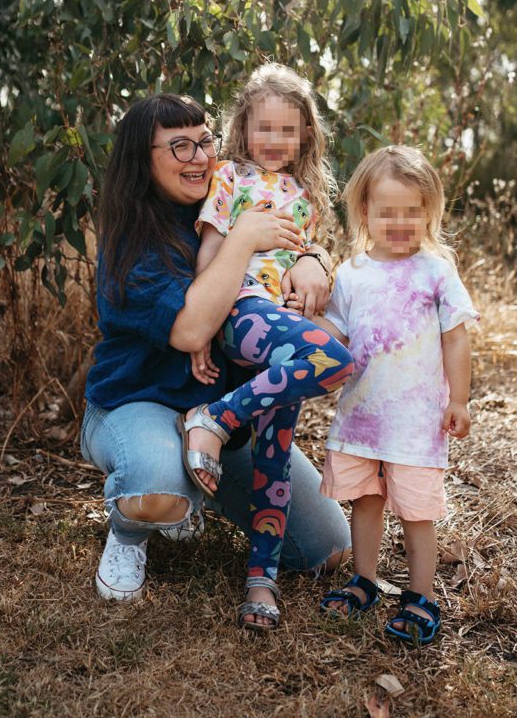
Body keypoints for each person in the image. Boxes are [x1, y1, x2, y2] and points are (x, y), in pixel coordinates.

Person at [80, 92, 351, 623]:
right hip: (141, 402)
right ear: (142, 157)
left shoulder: (232, 183)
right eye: (178, 146)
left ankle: (198, 481)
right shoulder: (132, 238)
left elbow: (296, 232)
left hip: (228, 416)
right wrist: (245, 236)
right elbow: (190, 330)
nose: (199, 156)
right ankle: (131, 531)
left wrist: (316, 260)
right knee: (159, 490)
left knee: (327, 547)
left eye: (204, 140)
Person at [177, 64, 354, 631]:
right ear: (243, 127)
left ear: (305, 136)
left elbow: (306, 259)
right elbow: (209, 256)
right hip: (241, 311)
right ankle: (215, 417)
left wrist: (315, 266)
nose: (275, 141)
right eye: (264, 128)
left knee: (275, 456)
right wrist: (202, 330)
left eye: (287, 131)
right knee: (334, 359)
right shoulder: (228, 177)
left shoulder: (306, 196)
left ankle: (261, 580)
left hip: (282, 324)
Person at [317, 145, 479, 646]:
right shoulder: (351, 275)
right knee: (365, 502)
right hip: (362, 418)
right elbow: (334, 334)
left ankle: (420, 596)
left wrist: (459, 400)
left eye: (414, 211)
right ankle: (363, 580)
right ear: (365, 211)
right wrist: (301, 323)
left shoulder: (436, 272)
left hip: (415, 422)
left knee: (415, 511)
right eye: (389, 211)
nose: (401, 222)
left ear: (429, 212)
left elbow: (456, 336)